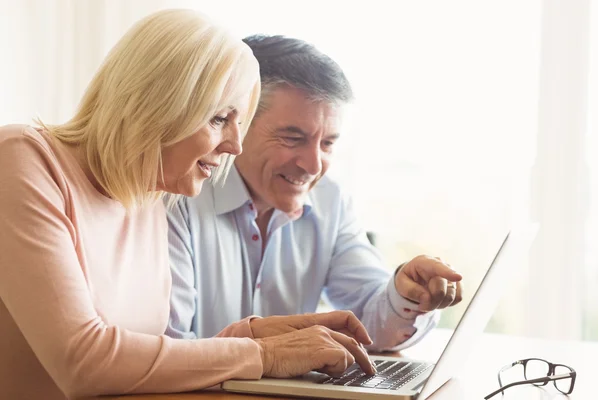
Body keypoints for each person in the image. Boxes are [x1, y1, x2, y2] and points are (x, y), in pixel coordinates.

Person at [0, 11, 377, 400]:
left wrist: (252, 334)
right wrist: (263, 353)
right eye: (219, 118)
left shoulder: (148, 193)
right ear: (157, 104)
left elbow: (144, 358)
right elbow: (83, 362)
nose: (235, 145)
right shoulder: (22, 159)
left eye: (239, 123)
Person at [167, 35, 464, 351]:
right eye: (292, 138)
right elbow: (168, 346)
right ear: (236, 123)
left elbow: (371, 326)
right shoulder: (178, 196)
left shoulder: (330, 200)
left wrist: (406, 294)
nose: (313, 166)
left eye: (328, 144)